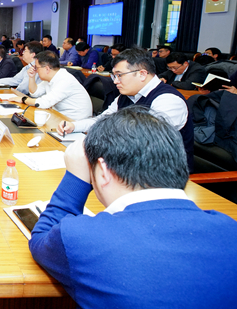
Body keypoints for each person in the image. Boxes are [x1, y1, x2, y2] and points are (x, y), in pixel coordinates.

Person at [29, 107, 237, 308]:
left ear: (103, 171)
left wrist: (75, 177)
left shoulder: (82, 236)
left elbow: (41, 239)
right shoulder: (230, 228)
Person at [58, 48, 194, 171]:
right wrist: (74, 126)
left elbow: (145, 141)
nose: (115, 81)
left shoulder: (168, 100)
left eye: (120, 75)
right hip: (130, 165)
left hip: (162, 173)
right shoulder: (127, 95)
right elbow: (103, 120)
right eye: (114, 76)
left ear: (142, 74)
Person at [21, 51, 92, 120]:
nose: (35, 70)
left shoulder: (65, 80)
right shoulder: (50, 78)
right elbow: (34, 93)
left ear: (47, 69)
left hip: (74, 121)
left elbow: (45, 103)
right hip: (60, 116)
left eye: (37, 68)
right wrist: (31, 77)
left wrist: (23, 99)